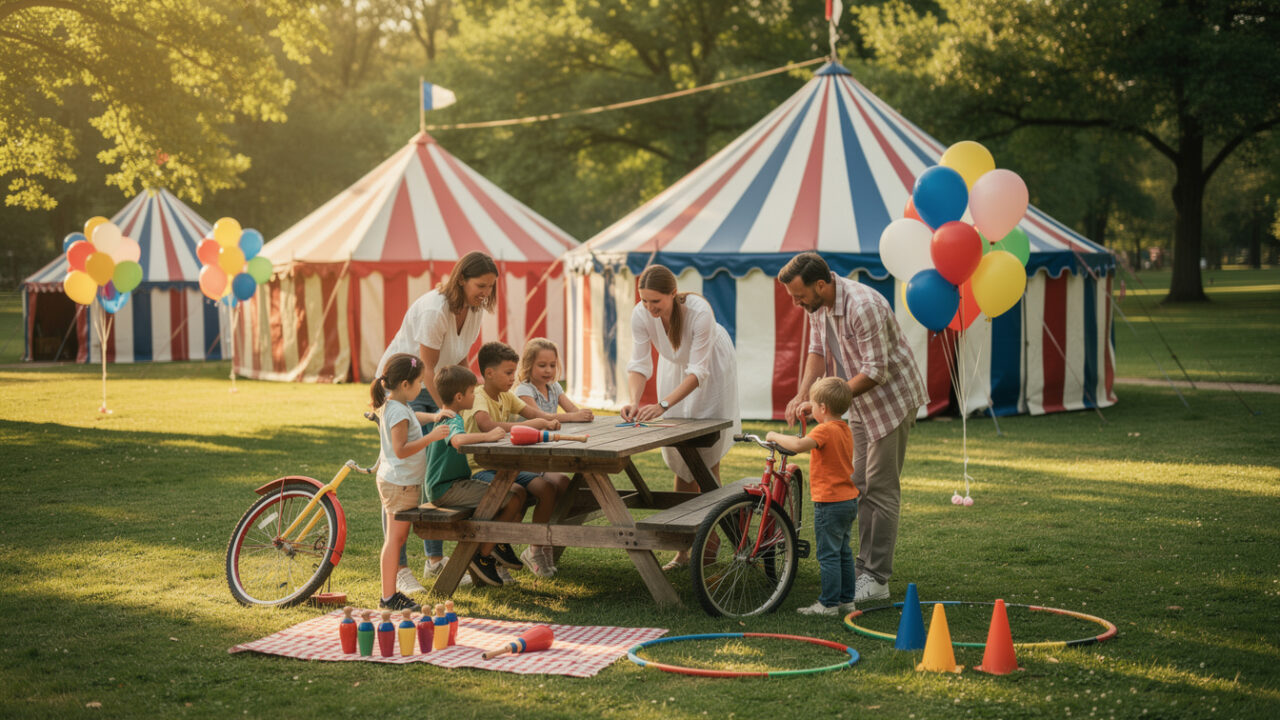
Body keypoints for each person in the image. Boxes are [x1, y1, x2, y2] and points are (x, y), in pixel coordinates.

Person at [778, 252, 928, 604]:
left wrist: (824, 402)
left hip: (891, 401)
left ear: (820, 284)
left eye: (800, 296)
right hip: (856, 401)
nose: (797, 304)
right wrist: (802, 394)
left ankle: (876, 578)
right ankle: (860, 569)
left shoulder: (863, 306)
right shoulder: (818, 306)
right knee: (855, 483)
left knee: (880, 488)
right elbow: (817, 351)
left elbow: (876, 371)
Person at [375, 251, 499, 589]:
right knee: (403, 479)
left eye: (490, 287)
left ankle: (434, 561)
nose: (486, 293)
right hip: (406, 389)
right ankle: (399, 569)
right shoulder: (434, 310)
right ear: (462, 279)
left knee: (433, 475)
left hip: (435, 388)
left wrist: (466, 398)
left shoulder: (474, 310)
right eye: (481, 285)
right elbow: (428, 368)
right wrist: (447, 407)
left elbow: (458, 362)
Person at [620, 264, 741, 570]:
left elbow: (698, 371)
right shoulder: (641, 314)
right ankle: (683, 551)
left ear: (673, 294)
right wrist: (634, 401)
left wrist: (662, 405)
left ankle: (709, 545)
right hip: (674, 368)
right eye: (644, 301)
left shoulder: (700, 312)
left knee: (705, 455)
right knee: (679, 453)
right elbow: (639, 363)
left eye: (656, 302)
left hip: (710, 369)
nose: (649, 308)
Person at [468, 341, 571, 578]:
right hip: (480, 468)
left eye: (513, 372)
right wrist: (532, 424)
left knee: (546, 488)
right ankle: (491, 551)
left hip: (506, 467)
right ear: (489, 373)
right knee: (516, 495)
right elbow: (486, 425)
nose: (512, 378)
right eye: (508, 373)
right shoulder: (479, 396)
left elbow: (533, 413)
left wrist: (547, 420)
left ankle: (535, 547)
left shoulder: (506, 396)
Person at [424, 365, 523, 587]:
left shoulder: (448, 416)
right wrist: (487, 436)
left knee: (514, 495)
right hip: (447, 489)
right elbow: (458, 441)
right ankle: (483, 554)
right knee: (512, 499)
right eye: (472, 392)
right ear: (459, 397)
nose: (475, 396)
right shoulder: (452, 419)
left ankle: (493, 545)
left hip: (451, 486)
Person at [767, 378, 858, 615]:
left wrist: (773, 435)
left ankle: (828, 604)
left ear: (823, 408)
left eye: (814, 405)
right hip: (848, 501)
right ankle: (847, 600)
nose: (812, 408)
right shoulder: (844, 428)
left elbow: (798, 445)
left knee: (828, 555)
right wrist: (810, 411)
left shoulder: (825, 430)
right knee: (843, 552)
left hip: (830, 503)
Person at [370, 353, 440, 612]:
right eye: (420, 382)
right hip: (399, 485)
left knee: (397, 538)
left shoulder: (397, 405)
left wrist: (433, 418)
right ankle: (388, 597)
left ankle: (390, 595)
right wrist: (431, 437)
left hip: (400, 482)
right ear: (405, 384)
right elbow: (401, 450)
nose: (422, 386)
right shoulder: (398, 410)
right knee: (395, 540)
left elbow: (413, 417)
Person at [514, 337, 593, 423]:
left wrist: (584, 415)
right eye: (542, 365)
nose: (548, 370)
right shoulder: (524, 390)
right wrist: (573, 416)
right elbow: (540, 417)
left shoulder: (554, 386)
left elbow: (572, 409)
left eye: (552, 365)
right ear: (528, 365)